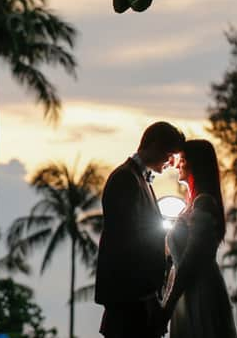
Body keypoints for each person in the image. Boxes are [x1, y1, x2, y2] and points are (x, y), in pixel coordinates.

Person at [95, 121, 185, 338]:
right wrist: (149, 297)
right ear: (154, 145)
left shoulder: (139, 180)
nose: (171, 162)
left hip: (137, 300)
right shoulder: (126, 179)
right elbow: (127, 244)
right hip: (130, 301)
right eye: (169, 154)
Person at [162, 139, 237, 338]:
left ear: (197, 164)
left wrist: (168, 306)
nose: (178, 164)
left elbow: (191, 260)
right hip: (187, 293)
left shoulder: (203, 202)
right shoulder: (191, 205)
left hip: (199, 293)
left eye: (184, 159)